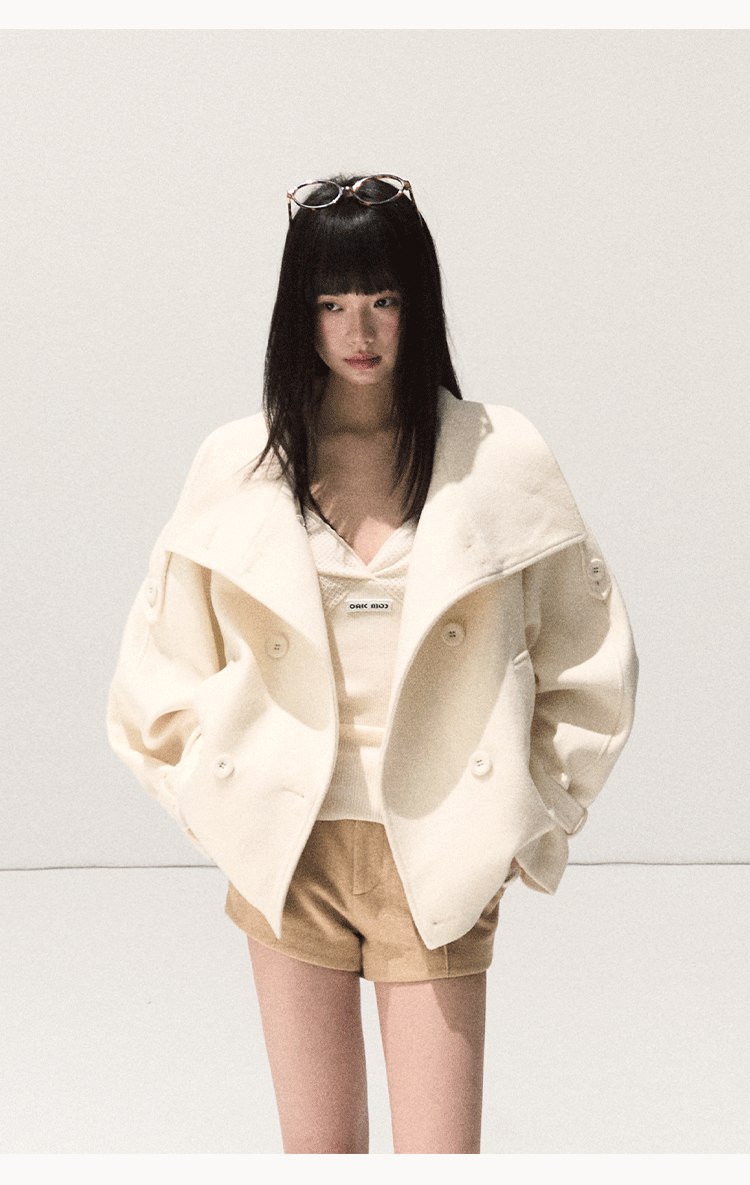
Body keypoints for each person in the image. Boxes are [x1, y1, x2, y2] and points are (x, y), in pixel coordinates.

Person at [107, 174, 638, 1154]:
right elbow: (158, 667)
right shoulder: (238, 464)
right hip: (291, 852)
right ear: (297, 312)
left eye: (384, 299)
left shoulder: (498, 456)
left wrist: (526, 822)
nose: (359, 329)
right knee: (318, 1159)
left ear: (417, 304)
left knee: (440, 1159)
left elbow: (590, 656)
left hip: (438, 846)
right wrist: (220, 806)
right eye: (332, 302)